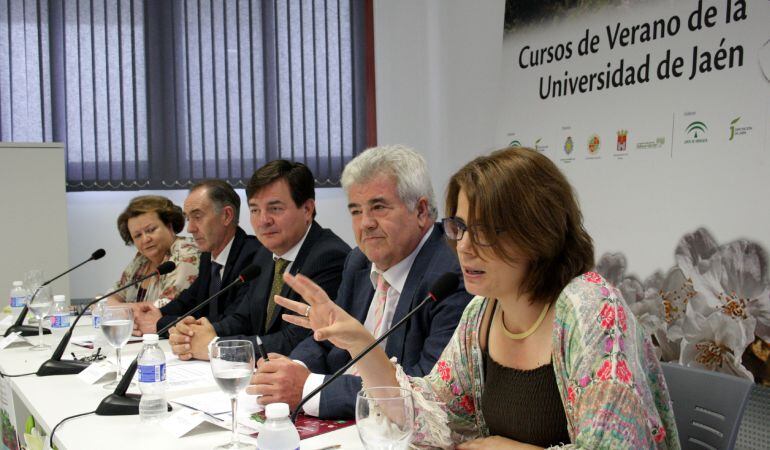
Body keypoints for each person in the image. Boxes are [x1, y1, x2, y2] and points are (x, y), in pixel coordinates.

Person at [275, 147, 680, 448]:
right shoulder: (482, 313)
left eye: (486, 230)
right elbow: (431, 415)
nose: (464, 246)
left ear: (536, 231)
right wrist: (361, 343)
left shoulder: (592, 313)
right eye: (459, 227)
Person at [250, 146, 472, 419]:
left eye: (378, 207)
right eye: (355, 211)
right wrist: (291, 369)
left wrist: (307, 388)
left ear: (421, 211)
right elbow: (328, 340)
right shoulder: (359, 262)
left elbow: (423, 387)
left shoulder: (451, 275)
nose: (365, 223)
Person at [168, 160, 350, 359]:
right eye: (255, 210)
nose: (263, 220)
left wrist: (216, 347)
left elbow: (299, 338)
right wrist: (197, 333)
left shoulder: (328, 257)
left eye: (275, 209)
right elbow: (243, 317)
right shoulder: (264, 253)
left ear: (307, 209)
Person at [132, 180, 262, 336]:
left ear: (227, 216)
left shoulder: (254, 257)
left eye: (197, 217)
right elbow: (189, 300)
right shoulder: (208, 255)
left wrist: (160, 324)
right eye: (188, 218)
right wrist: (156, 314)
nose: (190, 228)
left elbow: (233, 323)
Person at [108, 195, 200, 307]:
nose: (145, 239)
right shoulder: (141, 260)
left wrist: (122, 308)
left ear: (169, 226)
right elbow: (112, 297)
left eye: (151, 230)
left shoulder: (186, 253)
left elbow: (166, 307)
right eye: (137, 235)